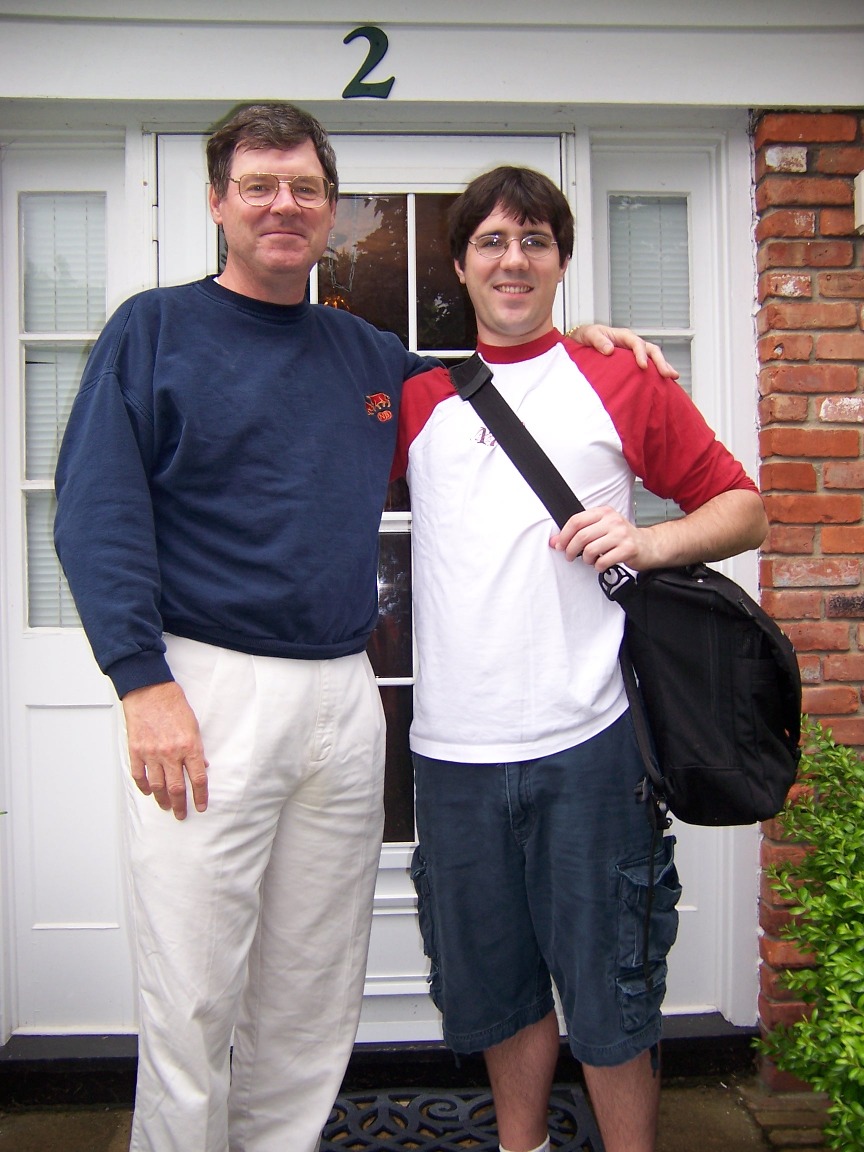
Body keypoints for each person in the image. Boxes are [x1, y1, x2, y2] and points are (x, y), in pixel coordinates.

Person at [53, 104, 671, 1152]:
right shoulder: (150, 332)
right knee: (194, 995)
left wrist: (592, 341)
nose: (281, 204)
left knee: (309, 992)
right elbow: (95, 513)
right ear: (217, 203)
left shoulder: (370, 356)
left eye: (302, 187)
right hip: (205, 693)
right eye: (257, 185)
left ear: (332, 211)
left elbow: (502, 382)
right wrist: (139, 679)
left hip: (343, 697)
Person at [393, 166, 768, 1152]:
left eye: (535, 241)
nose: (513, 260)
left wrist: (649, 542)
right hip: (454, 753)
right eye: (492, 242)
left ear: (561, 260)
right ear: (462, 266)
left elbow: (741, 506)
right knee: (499, 986)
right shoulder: (417, 400)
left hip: (592, 741)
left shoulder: (619, 376)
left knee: (612, 994)